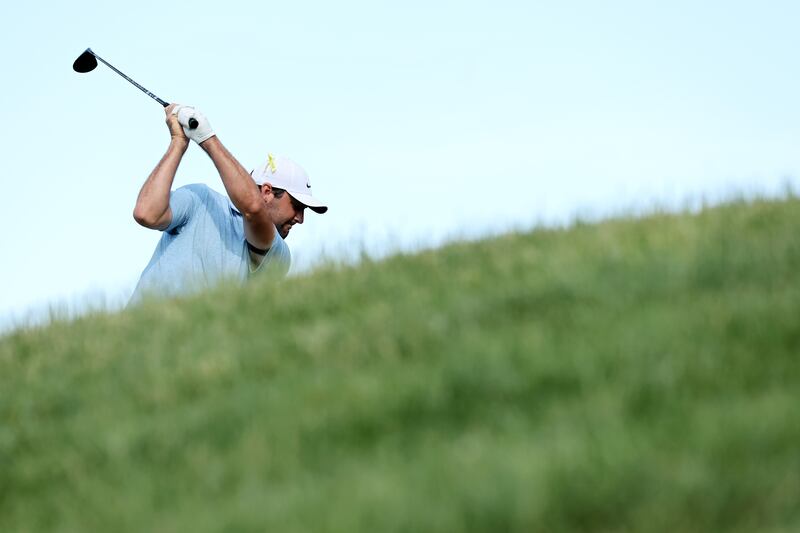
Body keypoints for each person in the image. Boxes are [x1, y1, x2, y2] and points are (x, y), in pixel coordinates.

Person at [129, 104, 327, 303]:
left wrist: (207, 138)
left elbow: (254, 209)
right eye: (297, 206)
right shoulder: (200, 198)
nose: (300, 219)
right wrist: (178, 143)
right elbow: (146, 213)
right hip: (136, 329)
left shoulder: (279, 256)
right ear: (267, 191)